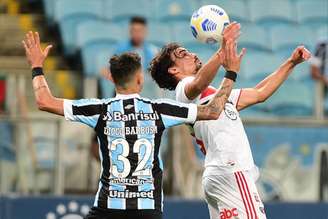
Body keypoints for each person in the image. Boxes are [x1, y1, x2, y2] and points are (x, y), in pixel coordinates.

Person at [22, 31, 242, 219]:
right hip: (147, 209)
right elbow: (213, 111)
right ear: (139, 80)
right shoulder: (159, 109)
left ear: (112, 79)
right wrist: (230, 73)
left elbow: (44, 102)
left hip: (108, 207)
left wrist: (37, 67)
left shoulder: (100, 110)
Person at [149, 26, 311, 218]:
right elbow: (198, 83)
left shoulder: (213, 95)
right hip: (231, 170)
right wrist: (223, 49)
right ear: (173, 69)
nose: (192, 54)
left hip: (220, 174)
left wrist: (291, 63)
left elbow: (260, 93)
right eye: (183, 54)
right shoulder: (183, 92)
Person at [111, 16, 159, 99]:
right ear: (130, 31)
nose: (137, 34)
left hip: (146, 89)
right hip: (125, 87)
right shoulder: (120, 50)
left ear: (145, 32)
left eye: (140, 30)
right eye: (134, 30)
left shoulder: (153, 51)